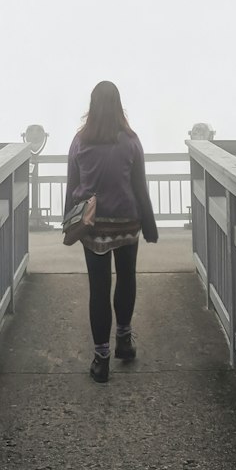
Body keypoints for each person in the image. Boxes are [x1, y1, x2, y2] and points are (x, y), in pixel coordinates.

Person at [65, 81, 158, 383]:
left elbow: (72, 187)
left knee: (99, 289)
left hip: (93, 225)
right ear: (119, 106)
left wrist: (69, 224)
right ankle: (125, 342)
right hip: (126, 222)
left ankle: (101, 359)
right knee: (127, 278)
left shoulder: (80, 141)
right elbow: (139, 187)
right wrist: (149, 224)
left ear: (92, 107)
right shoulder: (131, 141)